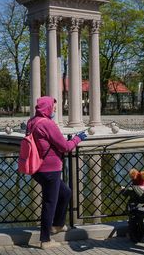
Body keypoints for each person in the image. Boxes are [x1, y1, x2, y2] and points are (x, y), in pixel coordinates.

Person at [26, 96, 87, 249]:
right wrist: (78, 138)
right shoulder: (47, 124)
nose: (54, 109)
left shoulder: (32, 121)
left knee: (65, 193)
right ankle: (45, 240)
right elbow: (65, 147)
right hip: (50, 169)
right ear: (46, 108)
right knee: (49, 203)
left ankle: (58, 225)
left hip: (37, 168)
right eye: (53, 107)